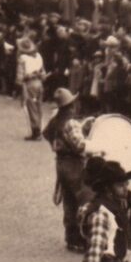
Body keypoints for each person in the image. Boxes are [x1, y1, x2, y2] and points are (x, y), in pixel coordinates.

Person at [43, 87, 90, 252]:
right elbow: (81, 146)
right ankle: (82, 238)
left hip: (61, 163)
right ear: (72, 105)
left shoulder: (55, 119)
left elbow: (46, 133)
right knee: (83, 198)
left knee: (68, 200)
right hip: (74, 165)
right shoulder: (71, 122)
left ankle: (71, 238)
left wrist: (56, 145)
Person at [16, 37, 46, 140]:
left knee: (31, 106)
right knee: (38, 106)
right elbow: (43, 73)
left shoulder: (22, 58)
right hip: (39, 83)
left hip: (29, 84)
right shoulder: (39, 56)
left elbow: (20, 76)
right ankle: (40, 128)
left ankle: (35, 130)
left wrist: (19, 83)